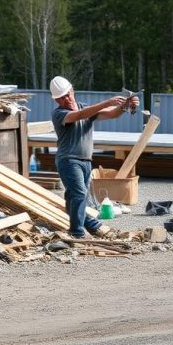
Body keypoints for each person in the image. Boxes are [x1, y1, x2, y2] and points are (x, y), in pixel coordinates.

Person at [49, 76, 138, 239]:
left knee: (74, 198)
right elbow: (80, 115)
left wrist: (125, 106)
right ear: (56, 100)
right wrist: (107, 102)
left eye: (67, 94)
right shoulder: (59, 114)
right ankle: (77, 233)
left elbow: (111, 114)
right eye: (60, 98)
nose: (66, 99)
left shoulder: (85, 108)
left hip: (86, 161)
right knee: (79, 194)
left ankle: (91, 225)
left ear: (72, 90)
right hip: (68, 160)